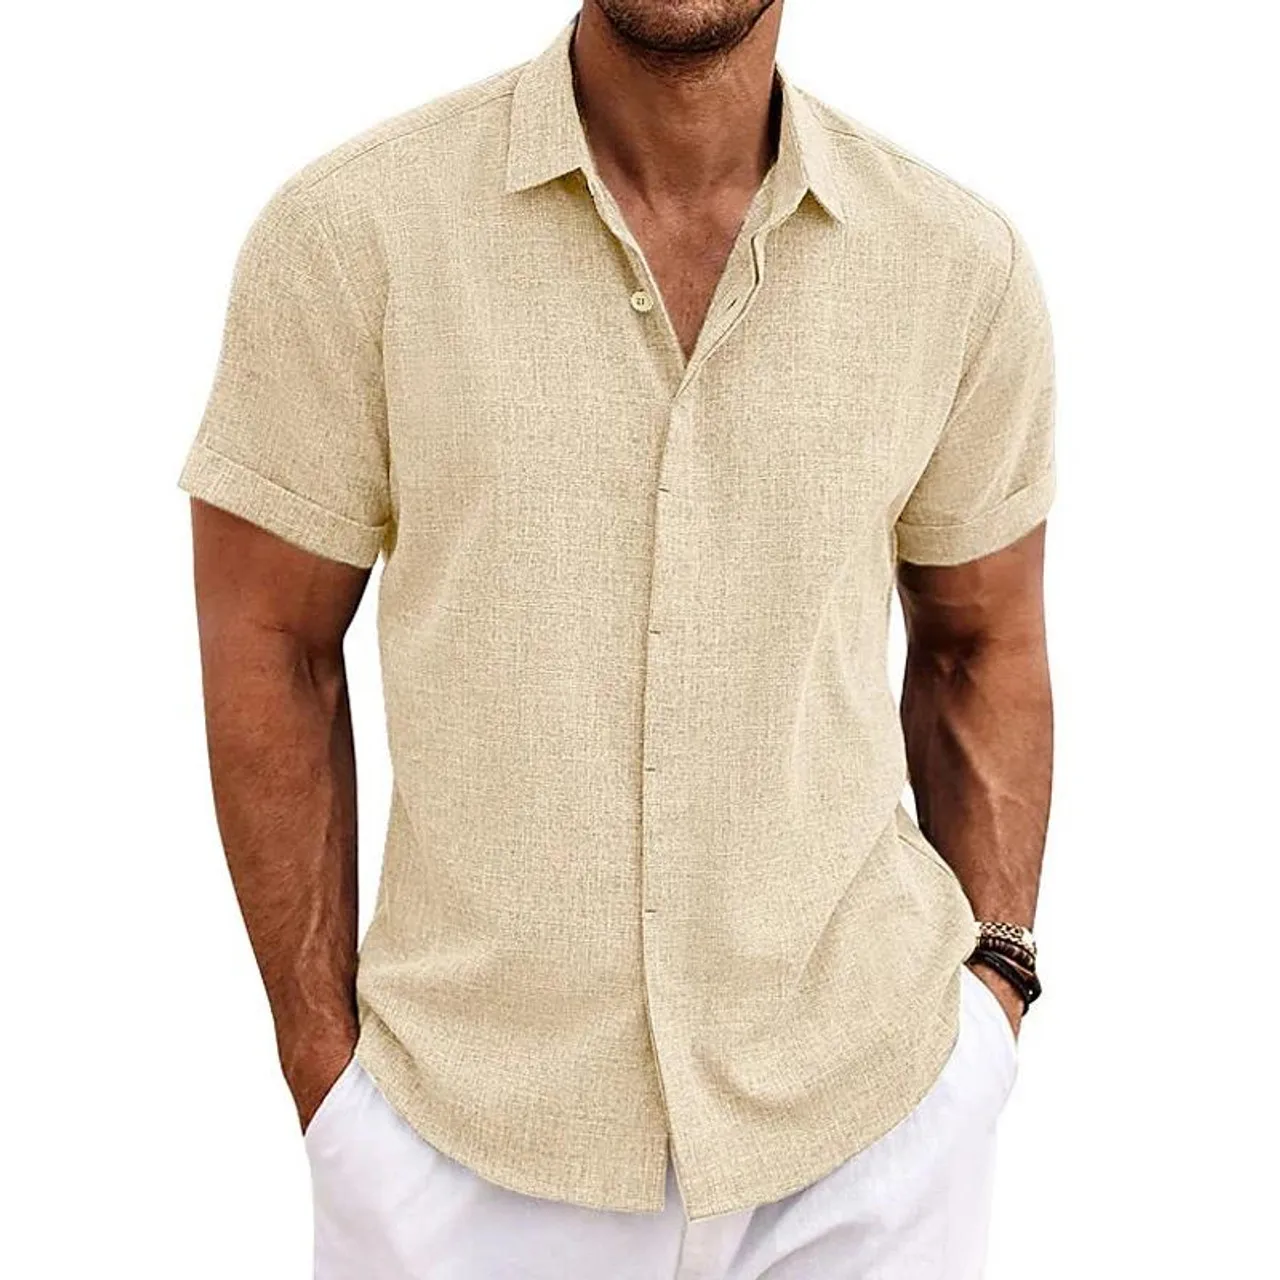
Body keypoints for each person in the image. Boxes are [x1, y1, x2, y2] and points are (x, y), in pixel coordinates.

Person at [179, 2, 1054, 1276]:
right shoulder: (352, 234)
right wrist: (323, 1075)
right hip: (462, 1147)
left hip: (870, 1130)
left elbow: (983, 642)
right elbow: (272, 640)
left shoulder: (954, 263)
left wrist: (996, 992)